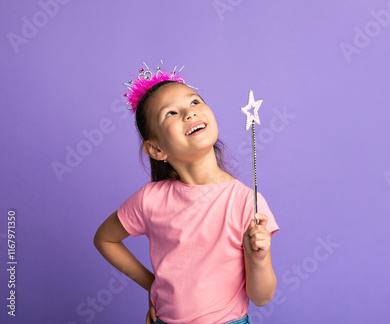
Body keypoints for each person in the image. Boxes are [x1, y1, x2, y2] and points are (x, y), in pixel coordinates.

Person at [93, 65, 279, 324]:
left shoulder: (246, 202)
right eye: (170, 113)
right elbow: (105, 239)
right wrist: (152, 286)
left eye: (194, 101)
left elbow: (261, 297)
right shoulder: (150, 199)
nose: (189, 112)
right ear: (156, 149)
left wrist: (258, 259)